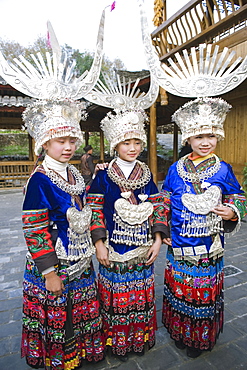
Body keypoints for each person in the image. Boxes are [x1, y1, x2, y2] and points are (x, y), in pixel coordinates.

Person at [21, 100, 105, 369]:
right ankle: (60, 359)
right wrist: (49, 272)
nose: (68, 147)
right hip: (55, 262)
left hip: (79, 257)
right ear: (45, 143)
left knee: (79, 310)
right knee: (60, 313)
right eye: (60, 141)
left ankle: (79, 353)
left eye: (72, 140)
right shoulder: (40, 179)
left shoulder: (71, 172)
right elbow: (34, 228)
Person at [161, 97, 247, 358]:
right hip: (178, 243)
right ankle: (179, 332)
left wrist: (232, 211)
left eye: (210, 135)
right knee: (179, 291)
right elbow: (163, 200)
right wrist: (161, 229)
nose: (205, 142)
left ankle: (199, 339)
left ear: (218, 136)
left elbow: (239, 196)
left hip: (208, 247)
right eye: (198, 137)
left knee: (202, 296)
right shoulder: (175, 169)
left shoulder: (223, 169)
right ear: (188, 139)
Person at [86, 109, 167, 361]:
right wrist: (99, 244)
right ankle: (117, 341)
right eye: (126, 142)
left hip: (143, 247)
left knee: (141, 295)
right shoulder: (102, 174)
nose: (132, 148)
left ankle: (139, 338)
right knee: (116, 297)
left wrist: (157, 240)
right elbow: (95, 209)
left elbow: (158, 205)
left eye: (136, 142)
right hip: (114, 248)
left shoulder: (146, 173)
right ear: (115, 145)